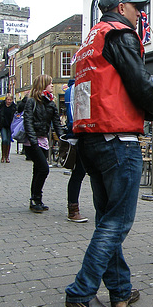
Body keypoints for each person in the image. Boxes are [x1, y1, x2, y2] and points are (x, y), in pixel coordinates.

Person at [65, 0, 153, 307]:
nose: (140, 13)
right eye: (137, 8)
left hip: (90, 139)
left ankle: (120, 290)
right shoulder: (120, 35)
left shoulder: (90, 43)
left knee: (106, 218)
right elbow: (139, 83)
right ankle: (81, 291)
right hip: (118, 141)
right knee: (118, 221)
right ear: (122, 7)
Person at [23, 75, 65, 213]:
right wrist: (33, 141)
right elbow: (28, 122)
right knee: (43, 169)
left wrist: (62, 139)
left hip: (43, 140)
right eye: (50, 83)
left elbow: (57, 123)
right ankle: (35, 198)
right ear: (43, 85)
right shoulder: (32, 101)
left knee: (38, 170)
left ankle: (36, 199)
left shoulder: (50, 102)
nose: (52, 85)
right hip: (32, 142)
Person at [64, 79, 88, 223]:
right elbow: (73, 114)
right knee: (79, 172)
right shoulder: (75, 88)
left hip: (83, 134)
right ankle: (73, 209)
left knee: (80, 172)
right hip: (81, 135)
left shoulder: (73, 87)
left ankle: (73, 208)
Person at [0, 93, 17, 162]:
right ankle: (3, 156)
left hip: (10, 125)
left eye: (10, 100)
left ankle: (7, 156)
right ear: (5, 99)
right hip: (3, 125)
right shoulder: (1, 106)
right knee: (4, 139)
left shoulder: (14, 107)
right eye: (8, 99)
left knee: (8, 140)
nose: (9, 101)